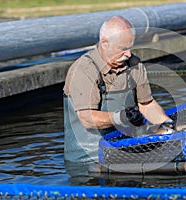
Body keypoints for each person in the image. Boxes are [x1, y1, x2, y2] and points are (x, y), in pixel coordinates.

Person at [63, 16, 174, 163]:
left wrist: (166, 124)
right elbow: (87, 118)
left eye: (130, 48)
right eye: (122, 49)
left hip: (125, 153)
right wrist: (120, 117)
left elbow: (146, 105)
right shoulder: (84, 69)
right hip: (88, 160)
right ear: (104, 43)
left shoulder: (134, 64)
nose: (128, 54)